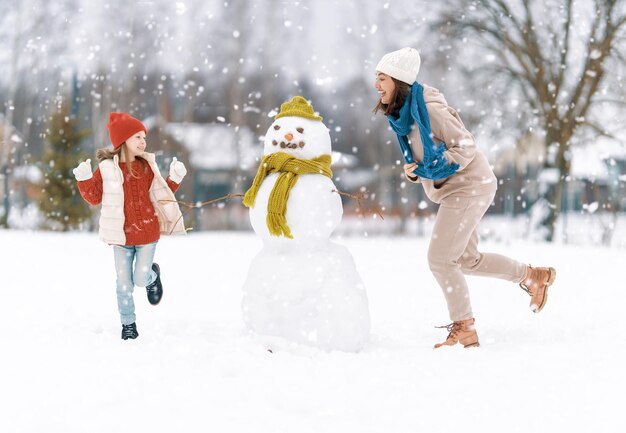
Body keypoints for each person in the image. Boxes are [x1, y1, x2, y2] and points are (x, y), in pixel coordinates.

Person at [373, 47, 556, 348]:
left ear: (398, 81)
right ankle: (533, 276)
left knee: (441, 259)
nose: (377, 85)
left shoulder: (429, 110)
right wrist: (414, 172)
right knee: (467, 260)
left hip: (469, 185)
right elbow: (424, 159)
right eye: (376, 79)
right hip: (457, 188)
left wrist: (433, 165)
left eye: (382, 78)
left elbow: (466, 146)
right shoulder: (403, 116)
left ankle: (464, 327)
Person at [73, 112, 187, 340]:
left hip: (147, 234)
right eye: (137, 137)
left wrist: (174, 178)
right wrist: (85, 179)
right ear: (122, 140)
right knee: (123, 285)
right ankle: (128, 325)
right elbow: (95, 197)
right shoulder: (106, 168)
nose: (143, 142)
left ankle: (152, 277)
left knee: (139, 280)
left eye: (144, 137)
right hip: (121, 238)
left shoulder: (146, 166)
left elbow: (160, 195)